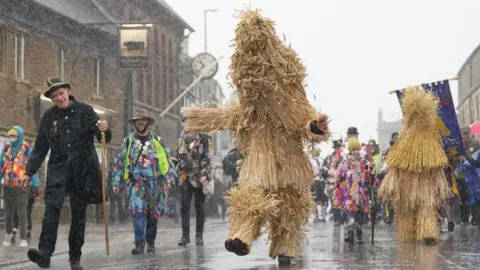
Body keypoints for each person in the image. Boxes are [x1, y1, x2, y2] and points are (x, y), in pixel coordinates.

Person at [22, 77, 111, 270]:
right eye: (54, 96)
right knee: (51, 211)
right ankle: (44, 254)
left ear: (68, 92)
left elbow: (103, 136)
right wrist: (29, 172)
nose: (59, 98)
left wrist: (104, 129)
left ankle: (75, 258)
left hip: (82, 170)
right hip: (58, 170)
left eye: (61, 94)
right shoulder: (49, 117)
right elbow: (39, 148)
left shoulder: (86, 111)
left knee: (78, 216)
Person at [111, 109, 173, 254]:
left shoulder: (157, 141)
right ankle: (139, 243)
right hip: (136, 184)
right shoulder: (129, 141)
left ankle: (150, 242)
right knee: (137, 213)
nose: (140, 122)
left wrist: (169, 178)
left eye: (143, 120)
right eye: (137, 120)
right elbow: (120, 162)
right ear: (134, 123)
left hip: (155, 184)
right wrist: (116, 182)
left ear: (147, 122)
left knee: (152, 215)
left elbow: (167, 160)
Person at [176, 116, 214, 247]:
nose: (187, 124)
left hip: (198, 176)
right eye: (184, 121)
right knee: (184, 207)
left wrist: (204, 173)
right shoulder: (180, 138)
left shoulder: (203, 138)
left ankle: (199, 236)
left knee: (199, 207)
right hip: (185, 177)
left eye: (189, 122)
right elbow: (179, 158)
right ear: (182, 124)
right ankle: (185, 236)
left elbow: (207, 157)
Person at [0, 126, 39, 247]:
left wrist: (36, 184)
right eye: (10, 136)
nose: (12, 138)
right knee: (9, 212)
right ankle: (8, 234)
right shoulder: (6, 148)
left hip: (23, 186)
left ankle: (23, 238)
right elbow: (1, 165)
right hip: (8, 185)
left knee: (22, 212)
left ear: (20, 136)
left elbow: (33, 167)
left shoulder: (27, 150)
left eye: (14, 136)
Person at [334, 137, 371, 244]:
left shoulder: (364, 163)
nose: (356, 151)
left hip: (360, 193)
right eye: (354, 149)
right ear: (350, 150)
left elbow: (369, 178)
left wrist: (371, 174)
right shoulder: (345, 163)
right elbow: (339, 178)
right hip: (349, 194)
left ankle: (359, 234)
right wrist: (340, 191)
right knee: (350, 213)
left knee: (359, 214)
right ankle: (350, 233)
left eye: (357, 149)